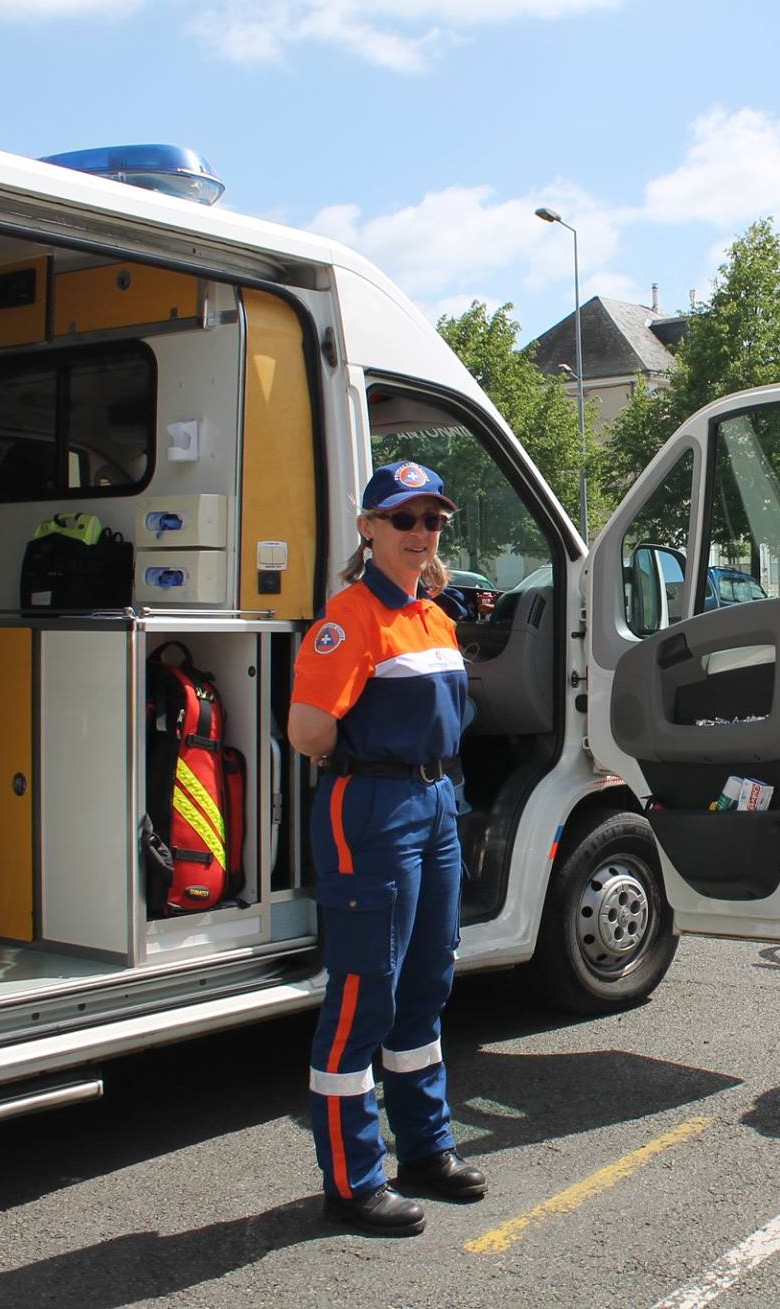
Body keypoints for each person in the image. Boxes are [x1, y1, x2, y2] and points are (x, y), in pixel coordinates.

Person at [287, 460, 486, 1234]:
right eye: (404, 519)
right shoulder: (350, 617)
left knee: (427, 982)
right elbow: (308, 730)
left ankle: (425, 1151)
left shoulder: (434, 616)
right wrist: (370, 759)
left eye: (433, 520)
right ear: (369, 528)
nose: (420, 533)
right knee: (365, 993)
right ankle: (353, 1179)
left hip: (435, 800)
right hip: (372, 803)